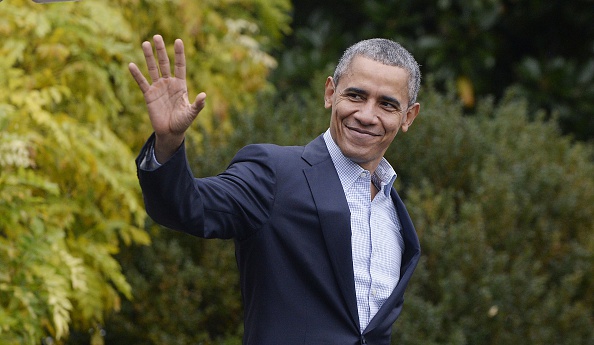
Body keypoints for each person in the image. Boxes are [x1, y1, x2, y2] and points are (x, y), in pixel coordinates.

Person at [129, 34, 421, 345]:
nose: (366, 115)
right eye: (356, 96)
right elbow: (187, 207)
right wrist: (168, 143)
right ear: (330, 93)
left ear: (408, 117)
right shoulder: (274, 172)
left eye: (387, 104)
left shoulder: (394, 215)